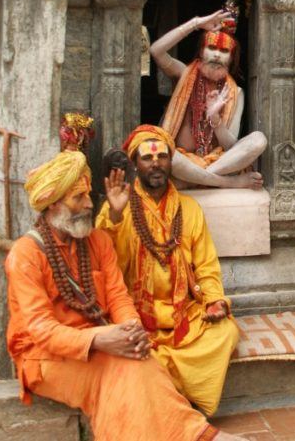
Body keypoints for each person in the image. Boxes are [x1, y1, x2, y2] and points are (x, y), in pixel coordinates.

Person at [4, 149, 241, 441]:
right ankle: (201, 436)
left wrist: (130, 329)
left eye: (88, 195)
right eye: (78, 198)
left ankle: (199, 435)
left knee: (143, 360)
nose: (89, 204)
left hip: (102, 339)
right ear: (52, 204)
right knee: (123, 369)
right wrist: (101, 339)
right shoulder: (25, 254)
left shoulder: (98, 241)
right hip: (44, 357)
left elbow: (118, 296)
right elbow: (40, 330)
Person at [97, 125, 239, 415]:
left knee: (226, 333)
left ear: (170, 161)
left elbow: (207, 266)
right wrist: (112, 214)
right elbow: (104, 262)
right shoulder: (118, 208)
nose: (156, 164)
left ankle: (170, 396)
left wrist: (213, 300)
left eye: (162, 156)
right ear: (135, 163)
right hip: (135, 313)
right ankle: (174, 399)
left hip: (182, 313)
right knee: (127, 349)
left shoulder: (189, 209)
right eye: (147, 158)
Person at [149, 1, 265, 190]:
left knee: (259, 139)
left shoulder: (235, 93)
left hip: (216, 162)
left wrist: (215, 119)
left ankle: (194, 179)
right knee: (166, 152)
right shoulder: (183, 73)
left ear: (231, 58)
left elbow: (231, 147)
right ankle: (226, 183)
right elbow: (156, 51)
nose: (217, 55)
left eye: (224, 51)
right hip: (181, 162)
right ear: (202, 51)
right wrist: (195, 24)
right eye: (212, 48)